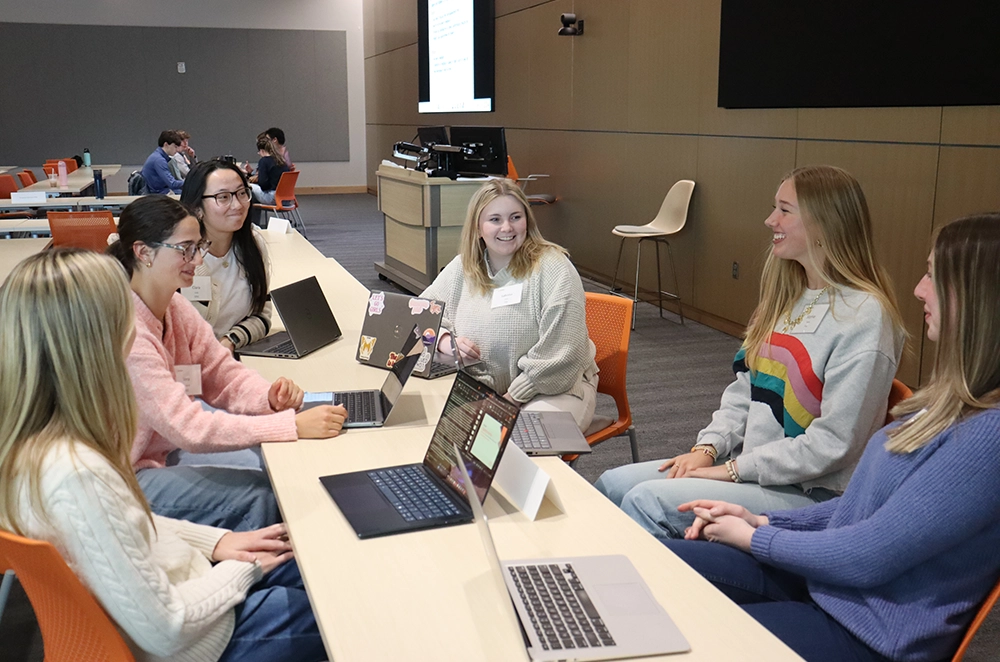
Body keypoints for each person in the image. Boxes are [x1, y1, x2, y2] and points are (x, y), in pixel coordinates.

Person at [664, 214, 1000, 662]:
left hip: (866, 631)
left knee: (690, 639)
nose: (919, 289)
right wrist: (764, 522)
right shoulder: (951, 402)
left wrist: (753, 539)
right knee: (657, 569)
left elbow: (870, 554)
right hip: (829, 588)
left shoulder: (988, 434)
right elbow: (865, 508)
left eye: (934, 276)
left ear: (980, 301)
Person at [0, 249, 326, 662]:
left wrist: (217, 541)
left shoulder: (36, 445)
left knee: (305, 561)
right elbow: (166, 629)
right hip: (192, 641)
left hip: (178, 599)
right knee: (327, 599)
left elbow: (122, 526)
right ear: (96, 343)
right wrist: (243, 569)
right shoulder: (77, 475)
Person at [595, 165, 906, 539]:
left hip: (811, 494)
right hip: (752, 468)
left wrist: (733, 470)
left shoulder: (864, 316)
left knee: (648, 501)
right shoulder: (786, 295)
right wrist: (708, 448)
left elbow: (832, 445)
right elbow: (746, 392)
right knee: (612, 484)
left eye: (785, 210)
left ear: (825, 224)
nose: (769, 219)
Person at [108, 195, 347, 531]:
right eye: (185, 249)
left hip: (160, 451)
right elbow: (189, 428)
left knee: (268, 462)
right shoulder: (128, 329)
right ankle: (259, 574)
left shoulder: (174, 307)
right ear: (143, 253)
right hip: (120, 478)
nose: (197, 258)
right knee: (262, 493)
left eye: (198, 246)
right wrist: (289, 426)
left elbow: (222, 374)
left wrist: (268, 398)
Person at [420, 179, 599, 431]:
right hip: (485, 389)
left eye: (515, 217)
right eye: (495, 219)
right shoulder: (465, 266)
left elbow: (561, 356)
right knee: (428, 428)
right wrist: (445, 340)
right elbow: (420, 314)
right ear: (478, 227)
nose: (507, 227)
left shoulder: (553, 268)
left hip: (552, 388)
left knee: (509, 443)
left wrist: (508, 401)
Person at [181, 159, 272, 351]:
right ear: (197, 208)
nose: (237, 205)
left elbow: (261, 313)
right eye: (223, 197)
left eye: (241, 193)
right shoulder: (178, 258)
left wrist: (230, 341)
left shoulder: (253, 246)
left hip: (233, 359)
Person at [140, 130, 185, 194]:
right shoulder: (159, 160)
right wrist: (189, 182)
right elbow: (172, 183)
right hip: (159, 194)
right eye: (175, 147)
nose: (177, 150)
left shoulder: (157, 156)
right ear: (166, 144)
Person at [250, 137, 291, 205]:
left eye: (259, 152)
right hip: (286, 199)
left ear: (262, 151)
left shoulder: (263, 161)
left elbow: (264, 185)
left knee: (247, 187)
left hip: (273, 198)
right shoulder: (281, 160)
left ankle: (252, 215)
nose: (259, 154)